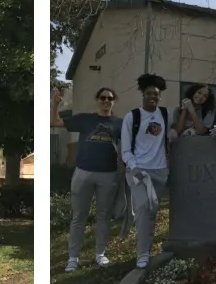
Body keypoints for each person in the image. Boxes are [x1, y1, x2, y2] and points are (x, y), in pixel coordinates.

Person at [51, 87, 123, 272]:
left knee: (103, 216)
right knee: (78, 217)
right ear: (97, 100)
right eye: (103, 98)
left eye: (110, 98)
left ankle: (100, 254)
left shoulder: (120, 123)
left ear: (114, 101)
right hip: (83, 173)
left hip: (108, 174)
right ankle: (73, 258)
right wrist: (55, 103)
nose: (106, 101)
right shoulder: (84, 119)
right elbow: (54, 122)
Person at [120, 74, 169, 269]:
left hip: (159, 171)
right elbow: (125, 150)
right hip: (138, 171)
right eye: (149, 93)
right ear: (143, 94)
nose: (152, 97)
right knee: (142, 207)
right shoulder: (132, 117)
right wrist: (135, 168)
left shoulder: (164, 114)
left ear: (159, 96)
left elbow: (171, 135)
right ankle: (143, 254)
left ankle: (146, 247)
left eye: (156, 94)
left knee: (152, 210)